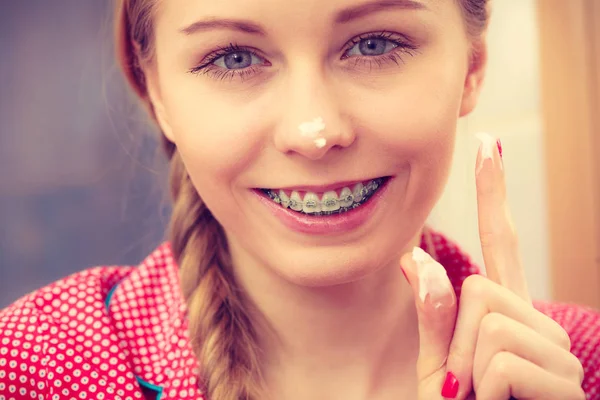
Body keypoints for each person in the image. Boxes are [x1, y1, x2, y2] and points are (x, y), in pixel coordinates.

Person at [1, 0, 598, 399]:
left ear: (471, 67)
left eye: (373, 44)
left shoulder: (585, 363)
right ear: (156, 93)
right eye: (234, 58)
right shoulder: (35, 365)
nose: (314, 131)